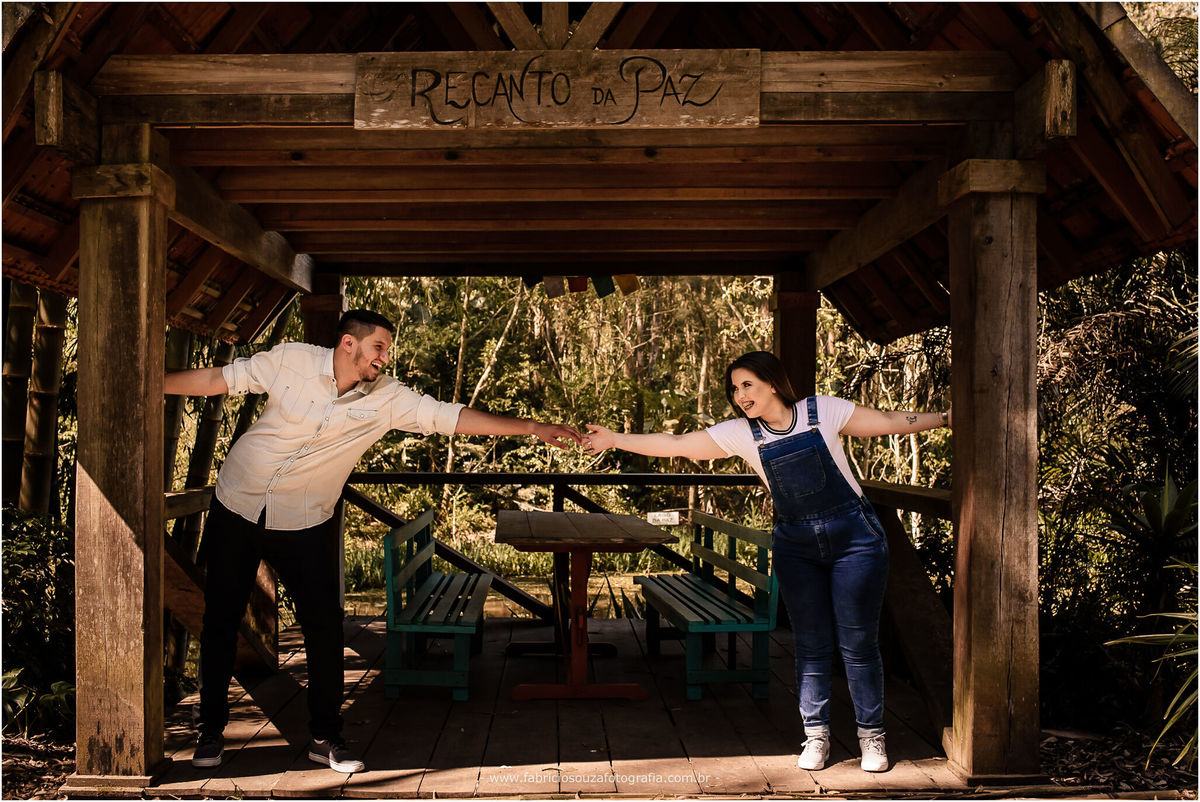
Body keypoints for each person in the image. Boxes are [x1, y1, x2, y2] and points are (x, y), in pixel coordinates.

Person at [166, 309, 581, 774]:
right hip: (237, 503)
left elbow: (452, 418)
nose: (386, 357)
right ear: (349, 344)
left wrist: (530, 428)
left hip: (304, 519)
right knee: (220, 618)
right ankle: (210, 731)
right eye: (379, 347)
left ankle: (325, 738)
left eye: (387, 349)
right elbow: (217, 380)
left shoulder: (389, 398)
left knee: (324, 628)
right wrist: (149, 381)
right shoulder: (291, 361)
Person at [582, 350, 949, 774]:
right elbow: (679, 445)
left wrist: (945, 417)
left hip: (856, 540)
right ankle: (816, 735)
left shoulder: (821, 411)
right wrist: (615, 439)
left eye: (747, 385)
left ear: (773, 383)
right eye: (734, 389)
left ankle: (872, 736)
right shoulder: (742, 434)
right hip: (796, 545)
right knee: (811, 646)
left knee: (858, 643)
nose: (739, 395)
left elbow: (886, 422)